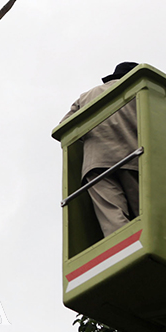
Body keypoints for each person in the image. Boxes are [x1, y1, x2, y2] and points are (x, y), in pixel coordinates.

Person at [62, 62, 140, 237]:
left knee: (112, 214)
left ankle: (126, 250)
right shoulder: (140, 90)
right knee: (143, 212)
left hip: (96, 163)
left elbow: (63, 129)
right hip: (134, 157)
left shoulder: (87, 96)